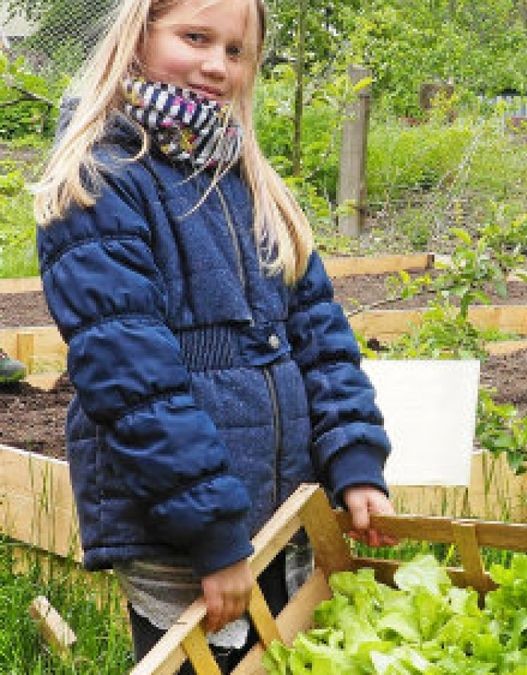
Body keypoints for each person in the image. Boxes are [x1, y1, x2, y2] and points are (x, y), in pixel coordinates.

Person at [30, 0, 395, 670]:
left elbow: (318, 333)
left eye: (235, 50)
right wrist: (215, 535)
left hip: (282, 508)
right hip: (181, 530)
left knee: (283, 653)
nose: (215, 65)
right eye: (195, 37)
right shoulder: (101, 181)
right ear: (138, 36)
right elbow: (136, 385)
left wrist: (352, 453)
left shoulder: (245, 177)